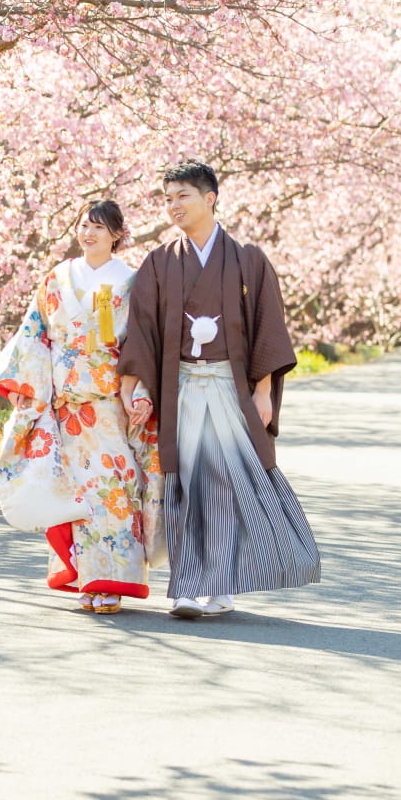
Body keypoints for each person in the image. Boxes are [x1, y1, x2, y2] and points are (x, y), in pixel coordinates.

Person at [117, 160, 320, 618]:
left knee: (228, 481)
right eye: (167, 198)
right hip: (183, 384)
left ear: (210, 198)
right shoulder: (160, 262)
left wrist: (263, 392)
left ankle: (222, 584)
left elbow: (268, 326)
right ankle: (188, 585)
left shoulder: (248, 258)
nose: (173, 206)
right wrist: (136, 384)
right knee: (186, 481)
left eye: (182, 196)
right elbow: (143, 329)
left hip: (230, 386)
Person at [0, 200, 164, 614]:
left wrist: (141, 391)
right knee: (77, 494)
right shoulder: (57, 278)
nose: (89, 233)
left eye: (100, 227)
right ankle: (88, 577)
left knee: (116, 488)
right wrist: (27, 391)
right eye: (84, 225)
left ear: (118, 234)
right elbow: (35, 336)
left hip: (111, 404)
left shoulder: (134, 281)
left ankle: (115, 582)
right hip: (67, 407)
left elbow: (144, 342)